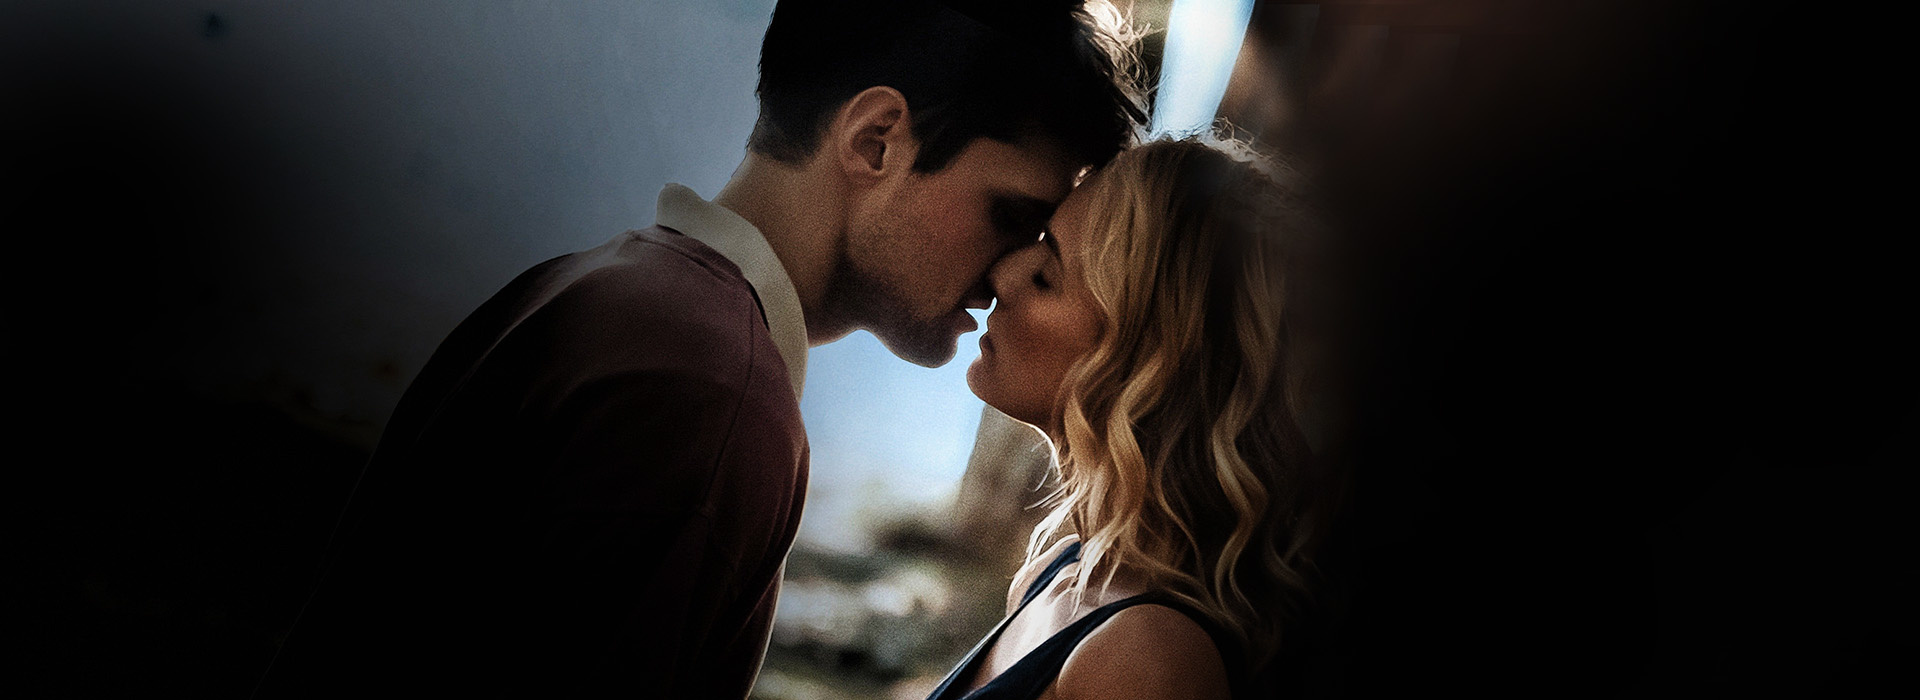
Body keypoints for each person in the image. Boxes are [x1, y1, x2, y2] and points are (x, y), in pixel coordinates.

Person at [253, 1, 1145, 697]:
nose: (1009, 270)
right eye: (1011, 214)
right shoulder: (712, 391)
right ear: (877, 139)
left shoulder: (607, 287)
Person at [925, 134, 1339, 700]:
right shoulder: (1056, 576)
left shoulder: (1145, 660)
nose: (1003, 274)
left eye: (1047, 276)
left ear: (1149, 363)